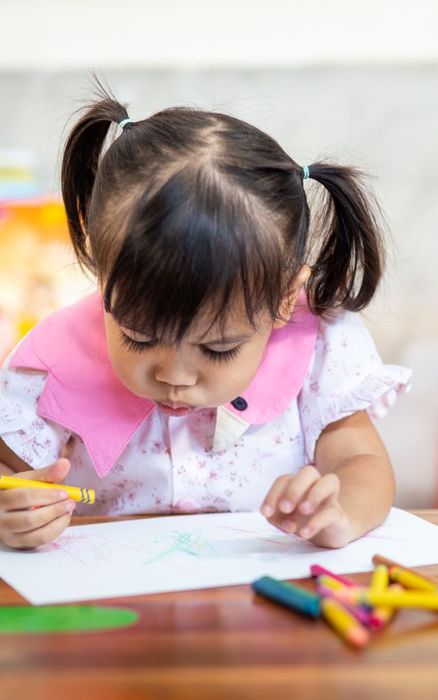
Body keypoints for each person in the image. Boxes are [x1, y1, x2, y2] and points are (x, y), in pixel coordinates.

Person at [0, 87, 410, 551]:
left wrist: (342, 510)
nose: (173, 376)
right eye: (136, 337)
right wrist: (12, 510)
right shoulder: (55, 361)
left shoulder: (316, 346)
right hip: (116, 606)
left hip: (264, 602)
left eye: (218, 348)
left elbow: (361, 461)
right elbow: (10, 474)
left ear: (283, 299)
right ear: (102, 270)